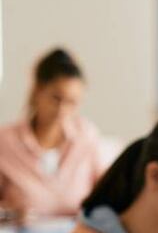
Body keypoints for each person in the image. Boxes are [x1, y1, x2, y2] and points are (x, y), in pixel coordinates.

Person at [0, 48, 105, 221]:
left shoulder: (86, 136)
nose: (62, 110)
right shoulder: (5, 141)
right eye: (56, 98)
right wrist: (10, 214)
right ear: (38, 91)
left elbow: (107, 195)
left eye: (72, 102)